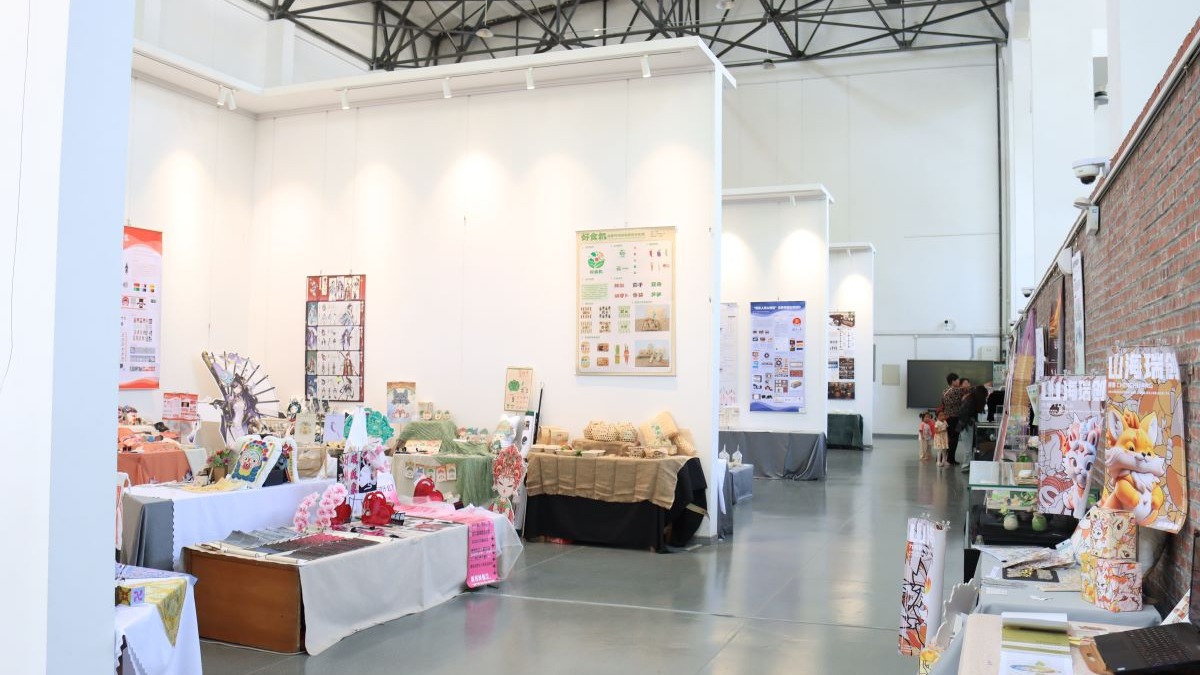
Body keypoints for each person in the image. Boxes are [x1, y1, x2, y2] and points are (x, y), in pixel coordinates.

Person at [940, 372, 966, 464]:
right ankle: (950, 459)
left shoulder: (945, 391)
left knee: (947, 439)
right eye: (958, 380)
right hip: (954, 418)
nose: (959, 381)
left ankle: (941, 458)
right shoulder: (956, 390)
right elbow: (971, 389)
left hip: (947, 418)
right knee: (954, 440)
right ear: (953, 381)